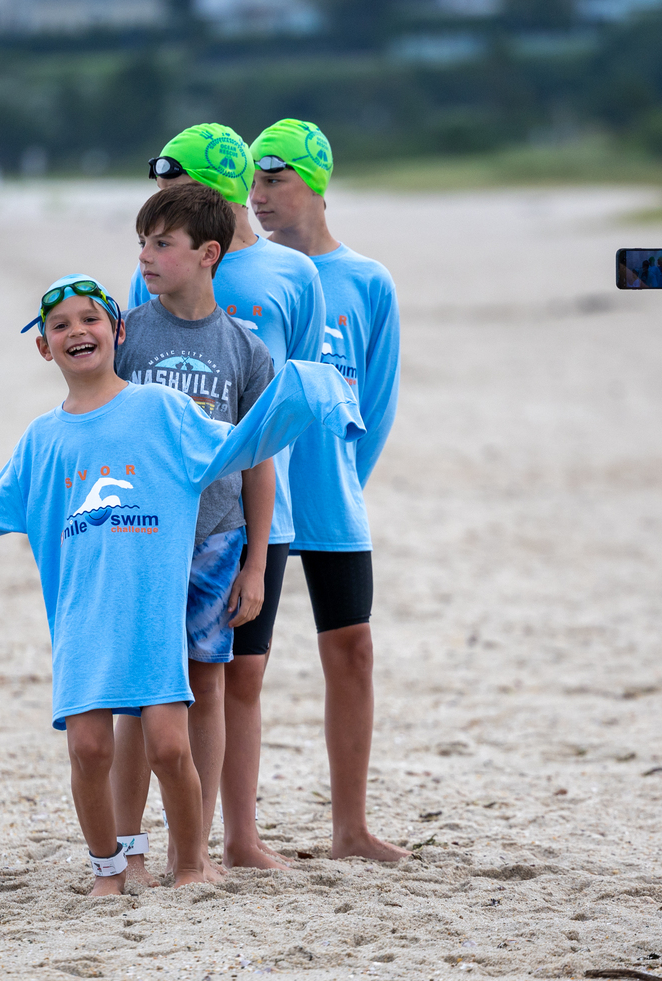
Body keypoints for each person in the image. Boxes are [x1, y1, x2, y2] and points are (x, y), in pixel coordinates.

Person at [0, 275, 363, 895]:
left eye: (90, 319)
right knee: (88, 748)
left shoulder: (162, 411)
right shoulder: (42, 440)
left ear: (117, 331)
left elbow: (239, 446)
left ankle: (190, 864)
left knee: (170, 749)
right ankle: (109, 869)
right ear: (44, 349)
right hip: (82, 621)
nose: (76, 332)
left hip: (151, 615)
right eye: (59, 326)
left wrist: (304, 393)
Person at [125, 123, 328, 873]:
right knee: (148, 689)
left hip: (244, 522)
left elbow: (290, 405)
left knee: (236, 674)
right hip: (154, 525)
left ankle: (223, 837)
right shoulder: (151, 286)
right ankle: (155, 845)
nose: (158, 215)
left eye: (175, 194)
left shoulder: (287, 275)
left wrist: (273, 529)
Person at [249, 118, 407, 862]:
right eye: (251, 182)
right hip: (256, 501)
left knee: (353, 652)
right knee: (239, 667)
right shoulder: (248, 275)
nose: (259, 197)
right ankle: (234, 835)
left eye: (274, 180)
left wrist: (343, 478)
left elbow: (372, 407)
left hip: (333, 497)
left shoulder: (367, 281)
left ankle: (351, 829)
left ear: (315, 181)